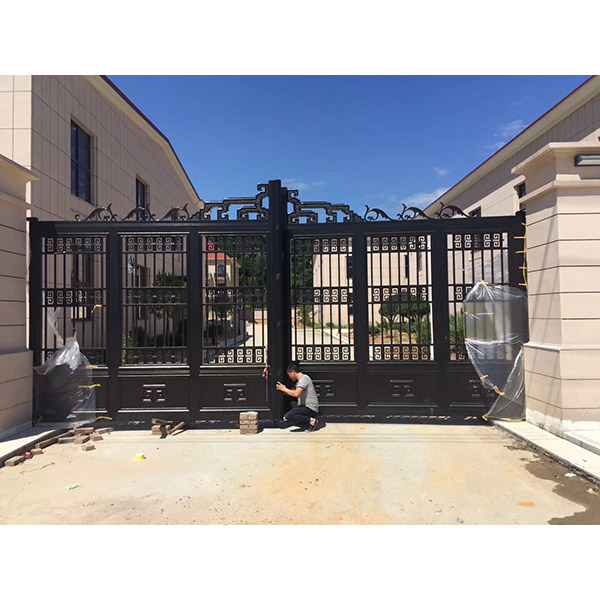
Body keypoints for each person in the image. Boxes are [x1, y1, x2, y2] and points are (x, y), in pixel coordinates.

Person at [276, 361, 322, 432]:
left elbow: (296, 394)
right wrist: (284, 390)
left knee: (288, 416)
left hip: (310, 408)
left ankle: (311, 421)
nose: (289, 377)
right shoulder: (300, 381)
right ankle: (305, 423)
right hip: (304, 406)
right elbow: (292, 392)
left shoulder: (304, 379)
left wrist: (284, 389)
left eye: (289, 375)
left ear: (293, 372)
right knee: (291, 404)